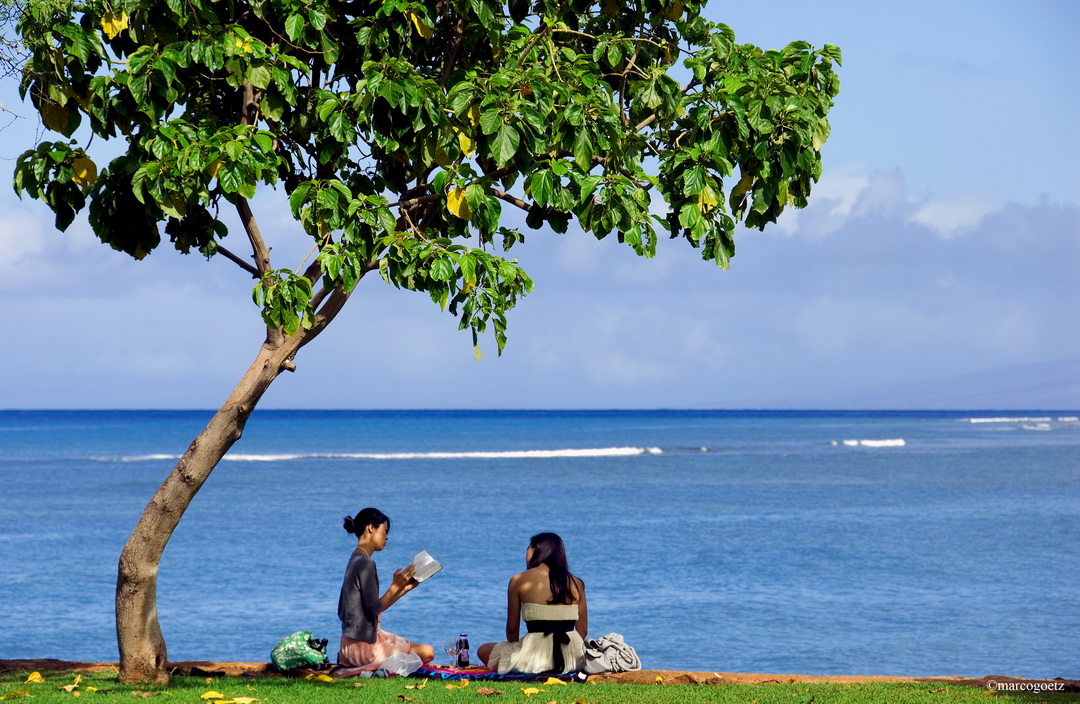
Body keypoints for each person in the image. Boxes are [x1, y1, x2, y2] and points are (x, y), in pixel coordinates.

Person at [336, 507, 434, 673]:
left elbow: (373, 607)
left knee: (418, 650)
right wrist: (395, 586)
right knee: (427, 652)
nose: (386, 537)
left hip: (348, 646)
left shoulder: (356, 558)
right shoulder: (366, 563)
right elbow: (374, 608)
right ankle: (368, 667)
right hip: (363, 650)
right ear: (371, 528)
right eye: (385, 530)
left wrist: (403, 589)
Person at [477, 532, 588, 674]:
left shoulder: (518, 580)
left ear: (536, 550)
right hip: (571, 659)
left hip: (534, 658)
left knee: (483, 649)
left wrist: (516, 650)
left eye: (527, 549)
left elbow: (512, 631)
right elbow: (583, 630)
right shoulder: (576, 583)